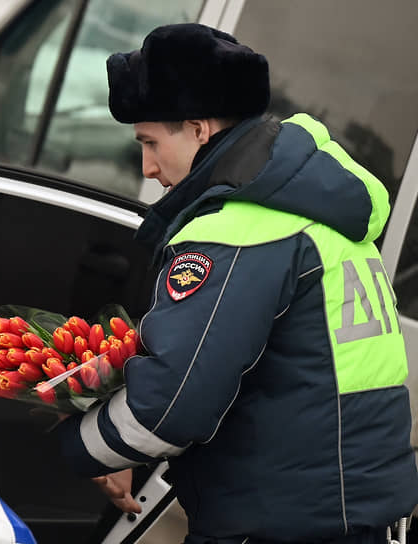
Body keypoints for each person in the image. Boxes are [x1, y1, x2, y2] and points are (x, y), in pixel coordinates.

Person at [59, 23, 418, 543]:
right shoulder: (319, 213)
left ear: (200, 129)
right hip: (353, 512)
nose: (148, 166)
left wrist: (76, 447)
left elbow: (172, 405)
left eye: (151, 142)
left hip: (282, 521)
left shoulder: (237, 232)